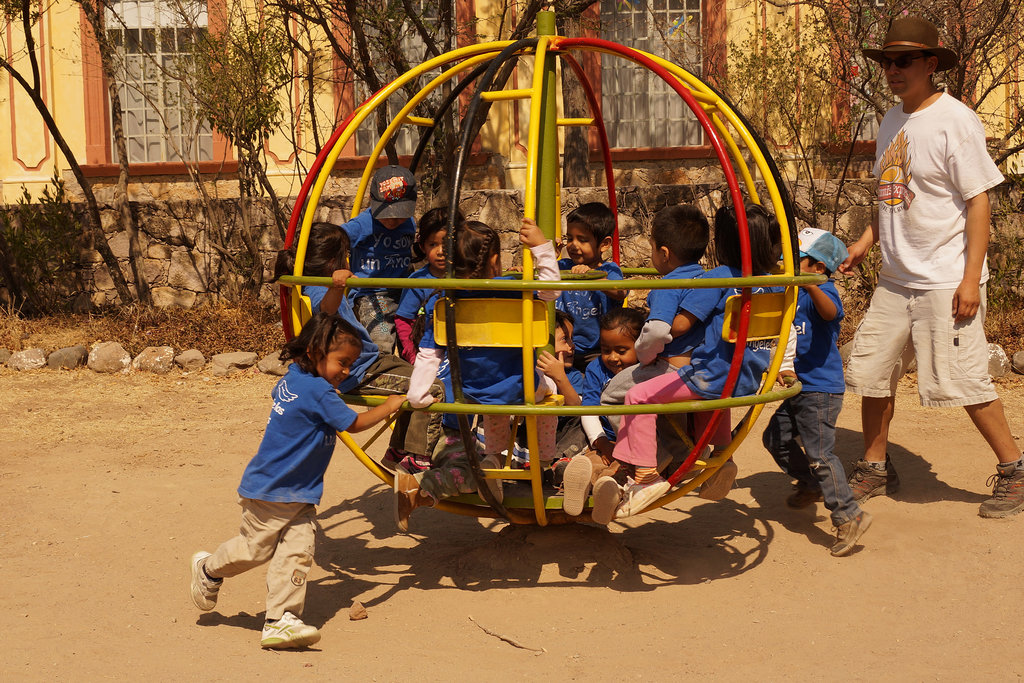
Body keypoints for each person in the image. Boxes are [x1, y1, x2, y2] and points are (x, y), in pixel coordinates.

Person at [842, 17, 1024, 518]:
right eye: (887, 61)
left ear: (929, 64)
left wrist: (970, 278)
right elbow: (890, 195)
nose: (893, 70)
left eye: (903, 61)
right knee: (874, 371)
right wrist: (863, 243)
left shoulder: (955, 120)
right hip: (895, 279)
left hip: (945, 279)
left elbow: (979, 202)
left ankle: (1015, 468)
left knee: (962, 380)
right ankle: (875, 467)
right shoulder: (890, 121)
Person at [189, 313, 405, 649]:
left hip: (299, 493)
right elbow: (354, 424)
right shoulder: (318, 391)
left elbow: (280, 392)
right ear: (316, 352)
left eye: (351, 364)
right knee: (254, 550)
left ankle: (280, 620)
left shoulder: (294, 376)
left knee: (298, 552)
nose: (346, 372)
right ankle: (208, 568)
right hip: (271, 490)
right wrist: (392, 405)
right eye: (342, 363)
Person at [610, 204, 782, 518]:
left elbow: (681, 325)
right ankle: (722, 458)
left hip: (712, 377)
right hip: (749, 377)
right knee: (712, 394)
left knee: (636, 396)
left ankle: (646, 475)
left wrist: (656, 319)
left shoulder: (719, 277)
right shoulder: (775, 283)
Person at [393, 218, 562, 531]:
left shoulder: (445, 304)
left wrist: (417, 393)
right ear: (495, 261)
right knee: (550, 390)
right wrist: (540, 246)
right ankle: (543, 462)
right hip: (519, 388)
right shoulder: (518, 292)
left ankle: (490, 458)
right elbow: (551, 288)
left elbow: (429, 355)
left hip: (470, 392)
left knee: (486, 411)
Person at [282, 222, 445, 474]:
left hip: (373, 360)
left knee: (422, 378)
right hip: (360, 371)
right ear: (334, 261)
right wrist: (337, 286)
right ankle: (417, 457)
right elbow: (326, 311)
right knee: (432, 387)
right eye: (346, 255)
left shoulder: (322, 284)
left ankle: (399, 451)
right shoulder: (317, 288)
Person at [763, 228, 871, 556]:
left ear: (817, 268)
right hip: (796, 387)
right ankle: (811, 485)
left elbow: (832, 313)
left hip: (820, 390)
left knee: (821, 453)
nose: (783, 263)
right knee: (775, 439)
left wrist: (809, 284)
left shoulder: (823, 292)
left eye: (794, 260)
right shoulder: (786, 292)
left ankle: (848, 515)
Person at [599, 205, 710, 421]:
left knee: (610, 397)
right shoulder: (708, 280)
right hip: (702, 366)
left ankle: (647, 451)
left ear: (664, 253)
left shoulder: (668, 287)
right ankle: (673, 448)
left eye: (652, 248)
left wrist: (644, 356)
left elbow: (657, 332)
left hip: (670, 367)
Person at [343, 165, 418, 355]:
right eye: (386, 214)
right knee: (382, 335)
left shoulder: (409, 223)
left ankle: (409, 373)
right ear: (371, 201)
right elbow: (336, 240)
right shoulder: (363, 224)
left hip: (404, 290)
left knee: (415, 336)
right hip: (374, 294)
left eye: (399, 213)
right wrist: (341, 268)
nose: (392, 220)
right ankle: (379, 374)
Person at [554, 202, 625, 371]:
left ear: (605, 244)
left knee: (595, 378)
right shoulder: (563, 266)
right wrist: (549, 258)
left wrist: (591, 277)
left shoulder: (608, 270)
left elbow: (620, 291)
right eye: (570, 238)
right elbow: (541, 282)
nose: (573, 245)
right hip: (563, 346)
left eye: (582, 240)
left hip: (595, 350)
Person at [394, 206, 463, 363]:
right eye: (433, 244)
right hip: (430, 353)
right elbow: (404, 321)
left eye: (447, 244)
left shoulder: (469, 276)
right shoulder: (418, 282)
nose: (440, 251)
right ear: (422, 246)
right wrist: (413, 357)